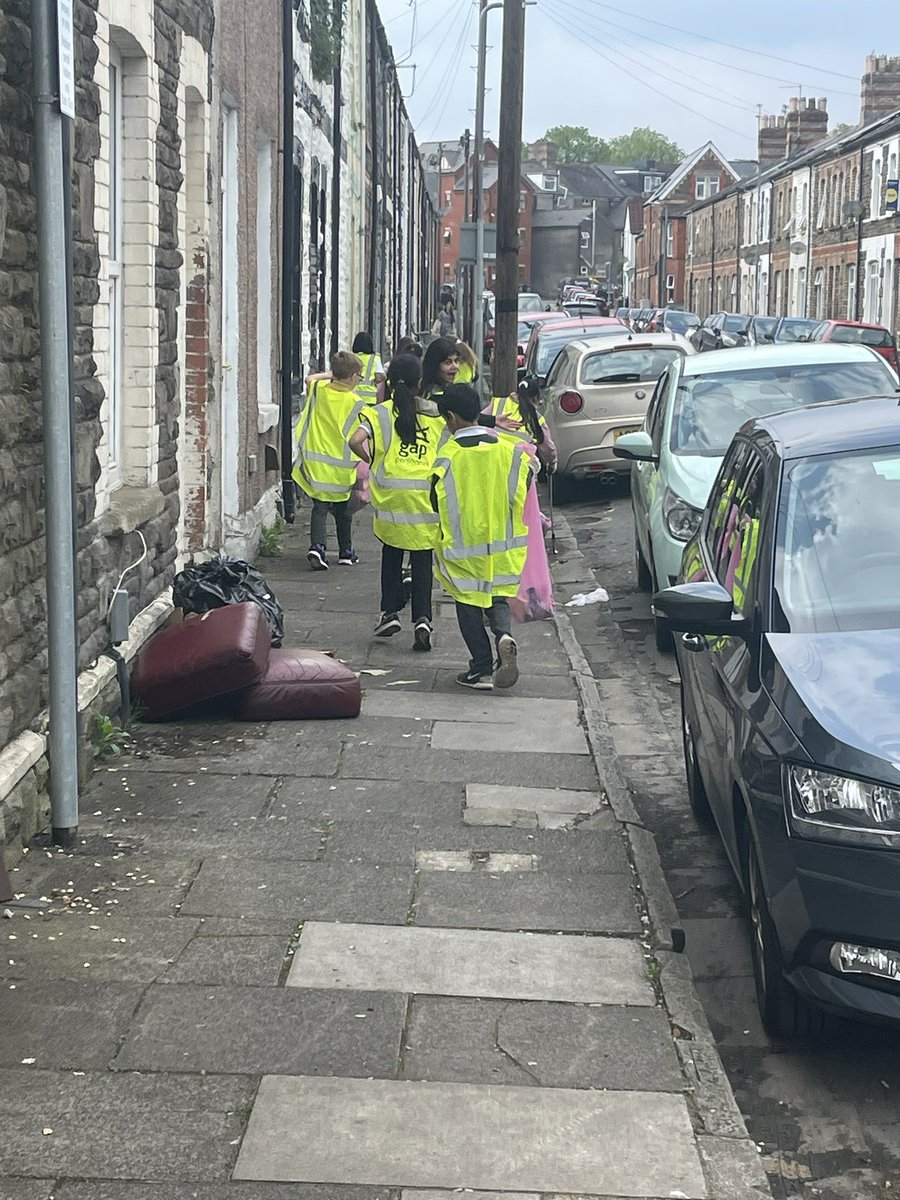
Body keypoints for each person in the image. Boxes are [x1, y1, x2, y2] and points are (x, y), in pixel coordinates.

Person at [431, 383, 533, 691]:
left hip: (463, 544)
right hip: (504, 541)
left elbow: (434, 500)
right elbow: (525, 487)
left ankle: (480, 668)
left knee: (467, 602)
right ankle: (503, 634)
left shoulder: (447, 456)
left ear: (451, 418)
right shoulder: (509, 451)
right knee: (497, 595)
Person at [349, 355, 442, 652]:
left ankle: (389, 613)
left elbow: (354, 441)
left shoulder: (379, 413)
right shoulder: (432, 414)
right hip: (424, 496)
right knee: (423, 558)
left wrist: (373, 460)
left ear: (389, 382)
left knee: (392, 552)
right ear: (419, 384)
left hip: (391, 497)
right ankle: (423, 620)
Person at [292, 350, 366, 570]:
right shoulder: (356, 402)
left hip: (316, 462)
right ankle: (346, 552)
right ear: (353, 377)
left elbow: (310, 378)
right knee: (344, 511)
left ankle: (317, 546)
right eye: (359, 376)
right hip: (341, 467)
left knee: (319, 507)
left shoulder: (318, 390)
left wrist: (331, 374)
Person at [484, 380, 558, 474]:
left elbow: (479, 420)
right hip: (518, 465)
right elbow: (547, 447)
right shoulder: (536, 418)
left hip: (492, 458)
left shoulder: (498, 402)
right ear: (535, 398)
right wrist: (552, 463)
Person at [351, 332, 386, 403]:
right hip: (370, 398)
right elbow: (380, 379)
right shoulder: (375, 359)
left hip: (352, 396)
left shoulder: (351, 357)